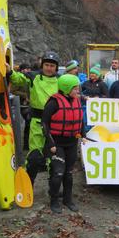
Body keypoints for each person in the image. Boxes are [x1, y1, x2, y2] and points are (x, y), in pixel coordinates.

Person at [7, 51, 59, 185]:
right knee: (34, 157)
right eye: (46, 65)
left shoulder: (60, 80)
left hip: (55, 123)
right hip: (37, 121)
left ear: (56, 68)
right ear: (42, 65)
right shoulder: (33, 76)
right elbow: (18, 79)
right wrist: (9, 72)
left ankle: (54, 188)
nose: (49, 68)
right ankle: (28, 185)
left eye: (52, 66)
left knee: (54, 158)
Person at [42, 74, 86, 213]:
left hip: (72, 143)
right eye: (75, 88)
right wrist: (50, 144)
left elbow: (80, 120)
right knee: (58, 173)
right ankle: (54, 200)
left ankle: (68, 199)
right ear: (66, 88)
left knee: (68, 173)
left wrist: (83, 135)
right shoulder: (54, 103)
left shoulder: (76, 101)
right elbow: (44, 124)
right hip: (57, 144)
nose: (77, 91)